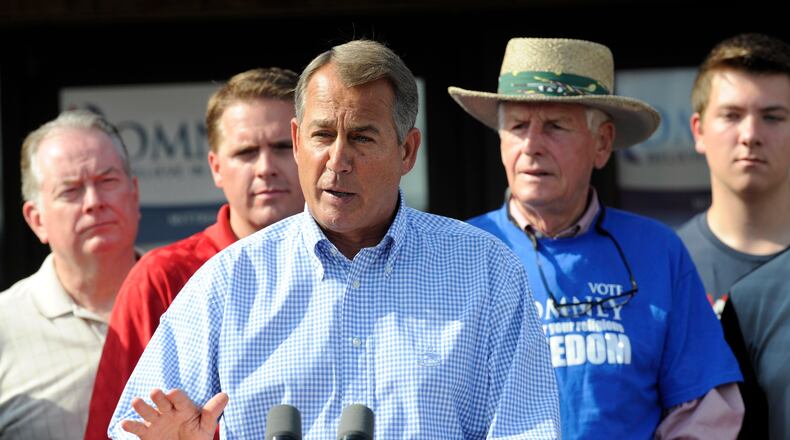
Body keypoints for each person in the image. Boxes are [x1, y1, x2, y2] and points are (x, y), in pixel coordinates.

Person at [108, 39, 560, 439]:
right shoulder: (228, 281)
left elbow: (529, 428)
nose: (337, 160)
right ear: (297, 139)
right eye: (322, 135)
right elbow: (135, 427)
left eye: (362, 137)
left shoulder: (484, 270)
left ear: (407, 151)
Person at [449, 37, 744, 439]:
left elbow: (706, 412)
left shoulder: (657, 251)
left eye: (555, 126)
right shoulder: (458, 250)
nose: (532, 146)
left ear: (602, 143)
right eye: (518, 126)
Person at [84, 67, 305, 440]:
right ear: (216, 168)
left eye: (282, 147)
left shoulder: (355, 263)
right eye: (247, 152)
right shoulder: (162, 277)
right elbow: (113, 431)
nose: (266, 168)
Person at [0, 110, 140, 439]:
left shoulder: (188, 298)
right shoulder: (5, 324)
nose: (93, 202)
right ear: (37, 220)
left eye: (107, 182)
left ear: (134, 194)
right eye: (70, 191)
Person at [678, 33, 790, 439]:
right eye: (731, 115)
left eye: (773, 116)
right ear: (698, 130)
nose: (750, 134)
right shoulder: (663, 266)